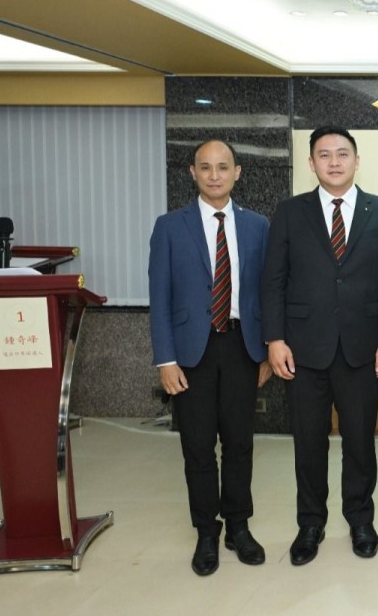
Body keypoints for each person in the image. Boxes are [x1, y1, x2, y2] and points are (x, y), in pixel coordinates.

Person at [262, 126, 378, 565]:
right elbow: (273, 280)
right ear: (311, 163)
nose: (334, 162)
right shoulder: (290, 212)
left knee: (360, 442)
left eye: (343, 153)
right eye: (324, 155)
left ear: (357, 160)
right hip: (303, 350)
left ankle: (361, 520)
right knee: (308, 443)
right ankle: (310, 523)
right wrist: (275, 339)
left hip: (363, 348)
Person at [148, 138, 271, 576]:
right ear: (192, 173)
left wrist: (267, 351)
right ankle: (206, 532)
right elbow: (159, 297)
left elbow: (267, 293)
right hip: (190, 353)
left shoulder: (258, 226)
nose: (214, 175)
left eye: (223, 167)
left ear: (237, 172)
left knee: (240, 443)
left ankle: (239, 526)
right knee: (198, 447)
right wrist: (165, 360)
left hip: (242, 346)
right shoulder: (170, 227)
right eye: (205, 167)